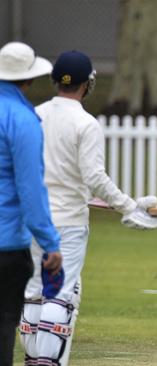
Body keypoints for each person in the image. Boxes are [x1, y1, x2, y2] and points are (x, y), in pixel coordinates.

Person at [18, 50, 157, 366]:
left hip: (32, 219)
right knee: (59, 292)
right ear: (87, 84)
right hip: (67, 223)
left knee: (33, 289)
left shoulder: (35, 114)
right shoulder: (86, 123)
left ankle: (33, 359)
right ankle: (47, 361)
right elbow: (94, 177)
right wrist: (128, 206)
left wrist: (127, 205)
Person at [0, 42, 63, 366]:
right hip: (6, 244)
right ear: (29, 80)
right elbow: (30, 189)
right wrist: (51, 243)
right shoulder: (22, 119)